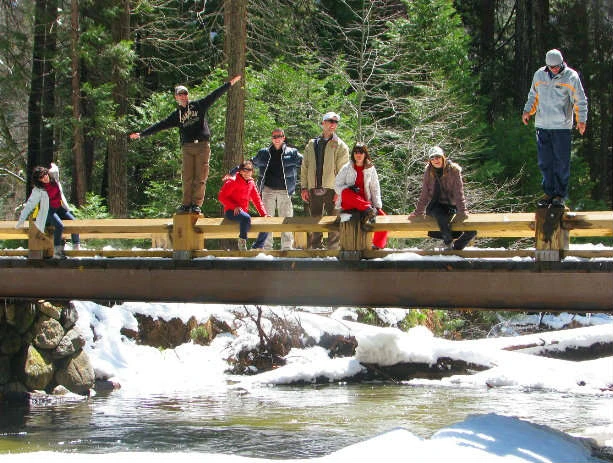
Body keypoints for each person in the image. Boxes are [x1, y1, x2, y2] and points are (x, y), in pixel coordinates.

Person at [129, 75, 242, 214]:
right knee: (187, 177)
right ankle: (186, 204)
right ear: (176, 97)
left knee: (201, 176)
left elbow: (214, 94)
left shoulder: (199, 105)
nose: (183, 96)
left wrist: (229, 84)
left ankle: (196, 205)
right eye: (180, 94)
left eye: (185, 94)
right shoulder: (176, 115)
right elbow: (160, 125)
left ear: (188, 95)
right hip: (187, 147)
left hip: (202, 146)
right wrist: (142, 134)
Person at [522, 49, 588, 208]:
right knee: (545, 161)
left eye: (557, 67)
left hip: (561, 127)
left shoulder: (571, 76)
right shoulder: (539, 75)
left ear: (562, 63)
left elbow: (580, 100)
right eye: (551, 67)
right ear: (547, 66)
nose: (554, 69)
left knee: (561, 161)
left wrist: (581, 120)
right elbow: (533, 95)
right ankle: (549, 192)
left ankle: (559, 194)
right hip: (542, 125)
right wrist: (527, 111)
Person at [408, 146, 476, 251]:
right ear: (430, 160)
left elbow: (459, 193)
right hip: (435, 205)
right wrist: (418, 212)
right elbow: (425, 193)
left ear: (443, 157)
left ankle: (457, 247)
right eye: (432, 158)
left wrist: (462, 211)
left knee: (471, 230)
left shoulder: (454, 170)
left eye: (438, 157)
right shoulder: (429, 171)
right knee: (441, 216)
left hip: (451, 205)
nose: (436, 160)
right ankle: (448, 242)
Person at [300, 111, 349, 249]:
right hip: (313, 188)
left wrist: (339, 192)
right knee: (315, 222)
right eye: (330, 121)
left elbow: (343, 171)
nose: (333, 124)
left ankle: (333, 251)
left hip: (332, 189)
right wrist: (304, 187)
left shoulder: (341, 145)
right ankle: (316, 249)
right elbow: (305, 166)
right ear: (323, 123)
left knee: (334, 221)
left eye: (335, 122)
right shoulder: (311, 143)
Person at [252, 128, 303, 250]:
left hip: (285, 190)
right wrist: (235, 172)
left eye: (279, 136)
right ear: (272, 138)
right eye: (274, 137)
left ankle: (287, 246)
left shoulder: (293, 153)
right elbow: (250, 164)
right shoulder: (264, 153)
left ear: (283, 137)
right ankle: (266, 246)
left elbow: (306, 163)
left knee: (286, 218)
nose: (277, 139)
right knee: (266, 219)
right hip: (267, 190)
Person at [15, 163, 80, 258]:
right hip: (49, 211)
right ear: (39, 180)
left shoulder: (53, 178)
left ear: (47, 173)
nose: (44, 178)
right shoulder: (39, 189)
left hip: (60, 208)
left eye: (45, 175)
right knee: (59, 226)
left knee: (74, 222)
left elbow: (55, 171)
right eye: (41, 178)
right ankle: (57, 252)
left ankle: (76, 247)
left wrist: (54, 165)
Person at [335, 142, 388, 250]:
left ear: (365, 154)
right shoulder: (347, 167)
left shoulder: (370, 168)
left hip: (366, 202)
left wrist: (377, 206)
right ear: (353, 154)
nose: (358, 155)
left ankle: (377, 246)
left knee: (384, 218)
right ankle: (367, 208)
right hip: (351, 202)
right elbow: (336, 186)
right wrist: (349, 188)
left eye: (361, 152)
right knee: (345, 192)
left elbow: (375, 187)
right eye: (356, 152)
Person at [218, 160, 269, 251]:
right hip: (231, 211)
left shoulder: (251, 183)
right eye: (245, 170)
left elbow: (257, 200)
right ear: (240, 171)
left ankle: (257, 246)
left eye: (250, 170)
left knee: (266, 223)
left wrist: (264, 214)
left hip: (243, 213)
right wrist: (234, 206)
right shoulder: (232, 181)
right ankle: (242, 241)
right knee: (246, 218)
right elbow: (221, 197)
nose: (247, 172)